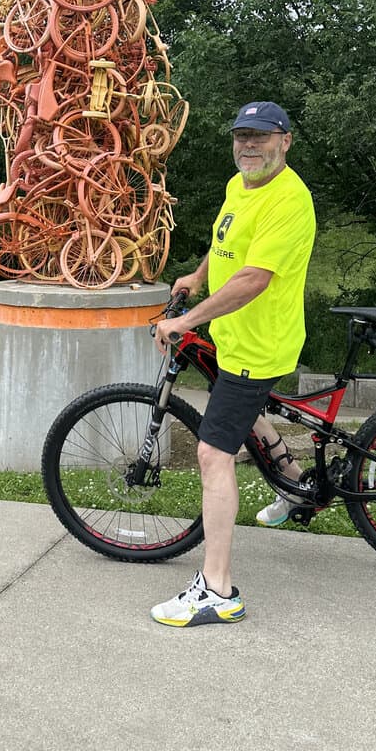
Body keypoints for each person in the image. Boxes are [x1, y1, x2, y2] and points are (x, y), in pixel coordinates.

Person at [150, 100, 316, 627]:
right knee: (245, 418)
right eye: (242, 135)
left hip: (258, 346)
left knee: (212, 455)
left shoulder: (289, 200)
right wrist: (197, 277)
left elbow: (254, 278)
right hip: (234, 337)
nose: (249, 145)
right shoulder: (239, 185)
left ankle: (217, 589)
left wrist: (186, 320)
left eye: (261, 136)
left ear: (285, 141)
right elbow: (227, 248)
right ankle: (296, 489)